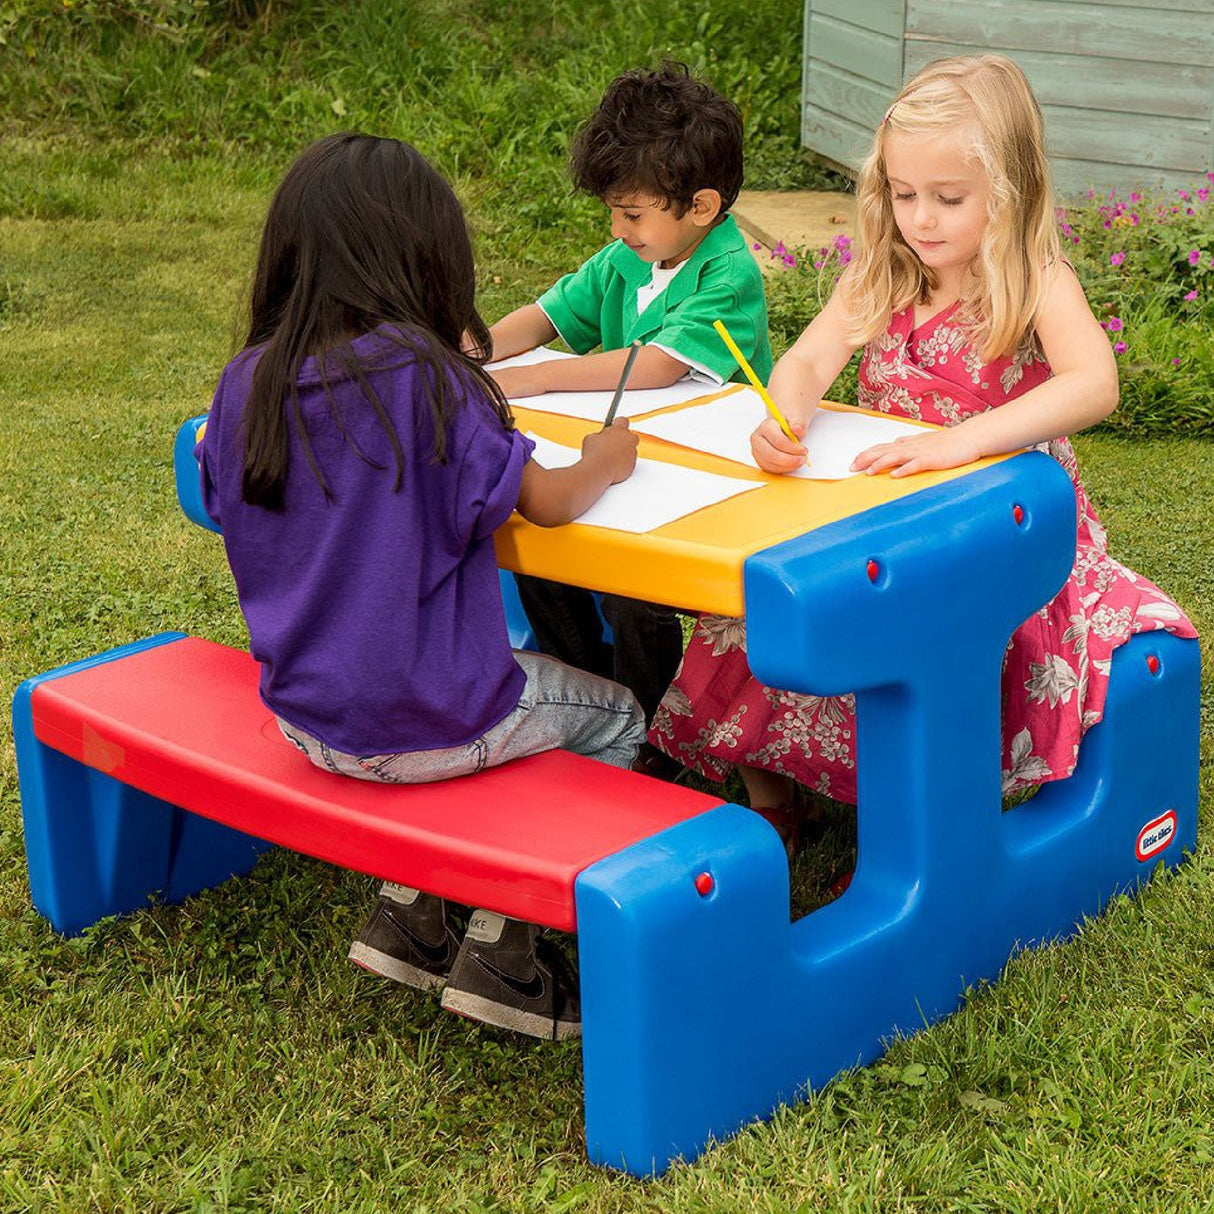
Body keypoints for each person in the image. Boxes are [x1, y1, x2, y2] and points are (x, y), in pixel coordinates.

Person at [648, 55, 1197, 847]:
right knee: (754, 608)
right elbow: (804, 362)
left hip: (1006, 527)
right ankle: (774, 802)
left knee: (928, 640)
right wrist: (787, 416)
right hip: (886, 512)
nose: (922, 219)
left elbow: (1094, 383)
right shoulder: (884, 270)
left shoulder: (1033, 278)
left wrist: (959, 442)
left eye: (948, 198)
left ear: (1007, 193)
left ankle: (915, 836)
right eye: (904, 195)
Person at [198, 133, 647, 1042]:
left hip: (306, 717)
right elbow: (551, 505)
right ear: (427, 257)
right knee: (622, 715)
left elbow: (222, 489)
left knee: (504, 688)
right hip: (430, 722)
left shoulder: (249, 380)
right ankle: (507, 951)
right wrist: (606, 457)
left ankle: (413, 910)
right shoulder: (432, 383)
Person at [487, 62, 772, 775]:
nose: (617, 229)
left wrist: (529, 379)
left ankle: (649, 729)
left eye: (632, 213)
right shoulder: (627, 257)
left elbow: (658, 364)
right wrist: (470, 351)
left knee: (635, 595)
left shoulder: (729, 270)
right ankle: (583, 690)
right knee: (537, 550)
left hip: (705, 488)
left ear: (701, 207)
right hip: (627, 466)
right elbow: (548, 314)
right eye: (614, 211)